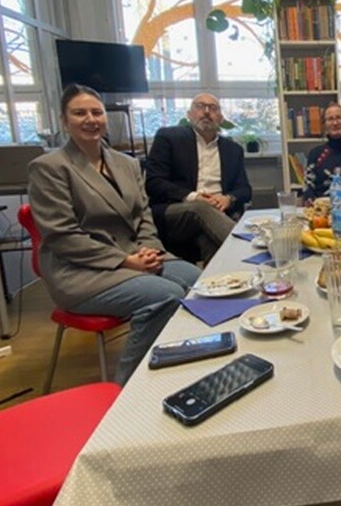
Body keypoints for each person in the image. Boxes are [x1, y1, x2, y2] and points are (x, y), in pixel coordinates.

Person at [28, 84, 200, 385]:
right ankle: (127, 388)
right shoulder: (49, 168)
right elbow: (63, 236)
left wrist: (148, 250)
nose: (90, 119)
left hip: (136, 257)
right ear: (64, 121)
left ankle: (176, 368)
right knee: (166, 296)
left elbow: (143, 217)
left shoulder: (127, 164)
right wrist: (126, 261)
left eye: (97, 112)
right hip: (81, 272)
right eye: (79, 113)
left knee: (198, 281)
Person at [145, 93, 252, 263]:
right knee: (201, 208)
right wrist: (195, 197)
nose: (207, 112)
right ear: (189, 115)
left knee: (208, 239)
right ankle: (248, 251)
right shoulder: (169, 138)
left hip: (219, 213)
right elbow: (154, 182)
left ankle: (218, 279)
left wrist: (227, 199)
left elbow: (245, 189)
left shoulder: (233, 149)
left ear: (221, 118)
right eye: (200, 106)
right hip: (177, 210)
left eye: (213, 108)